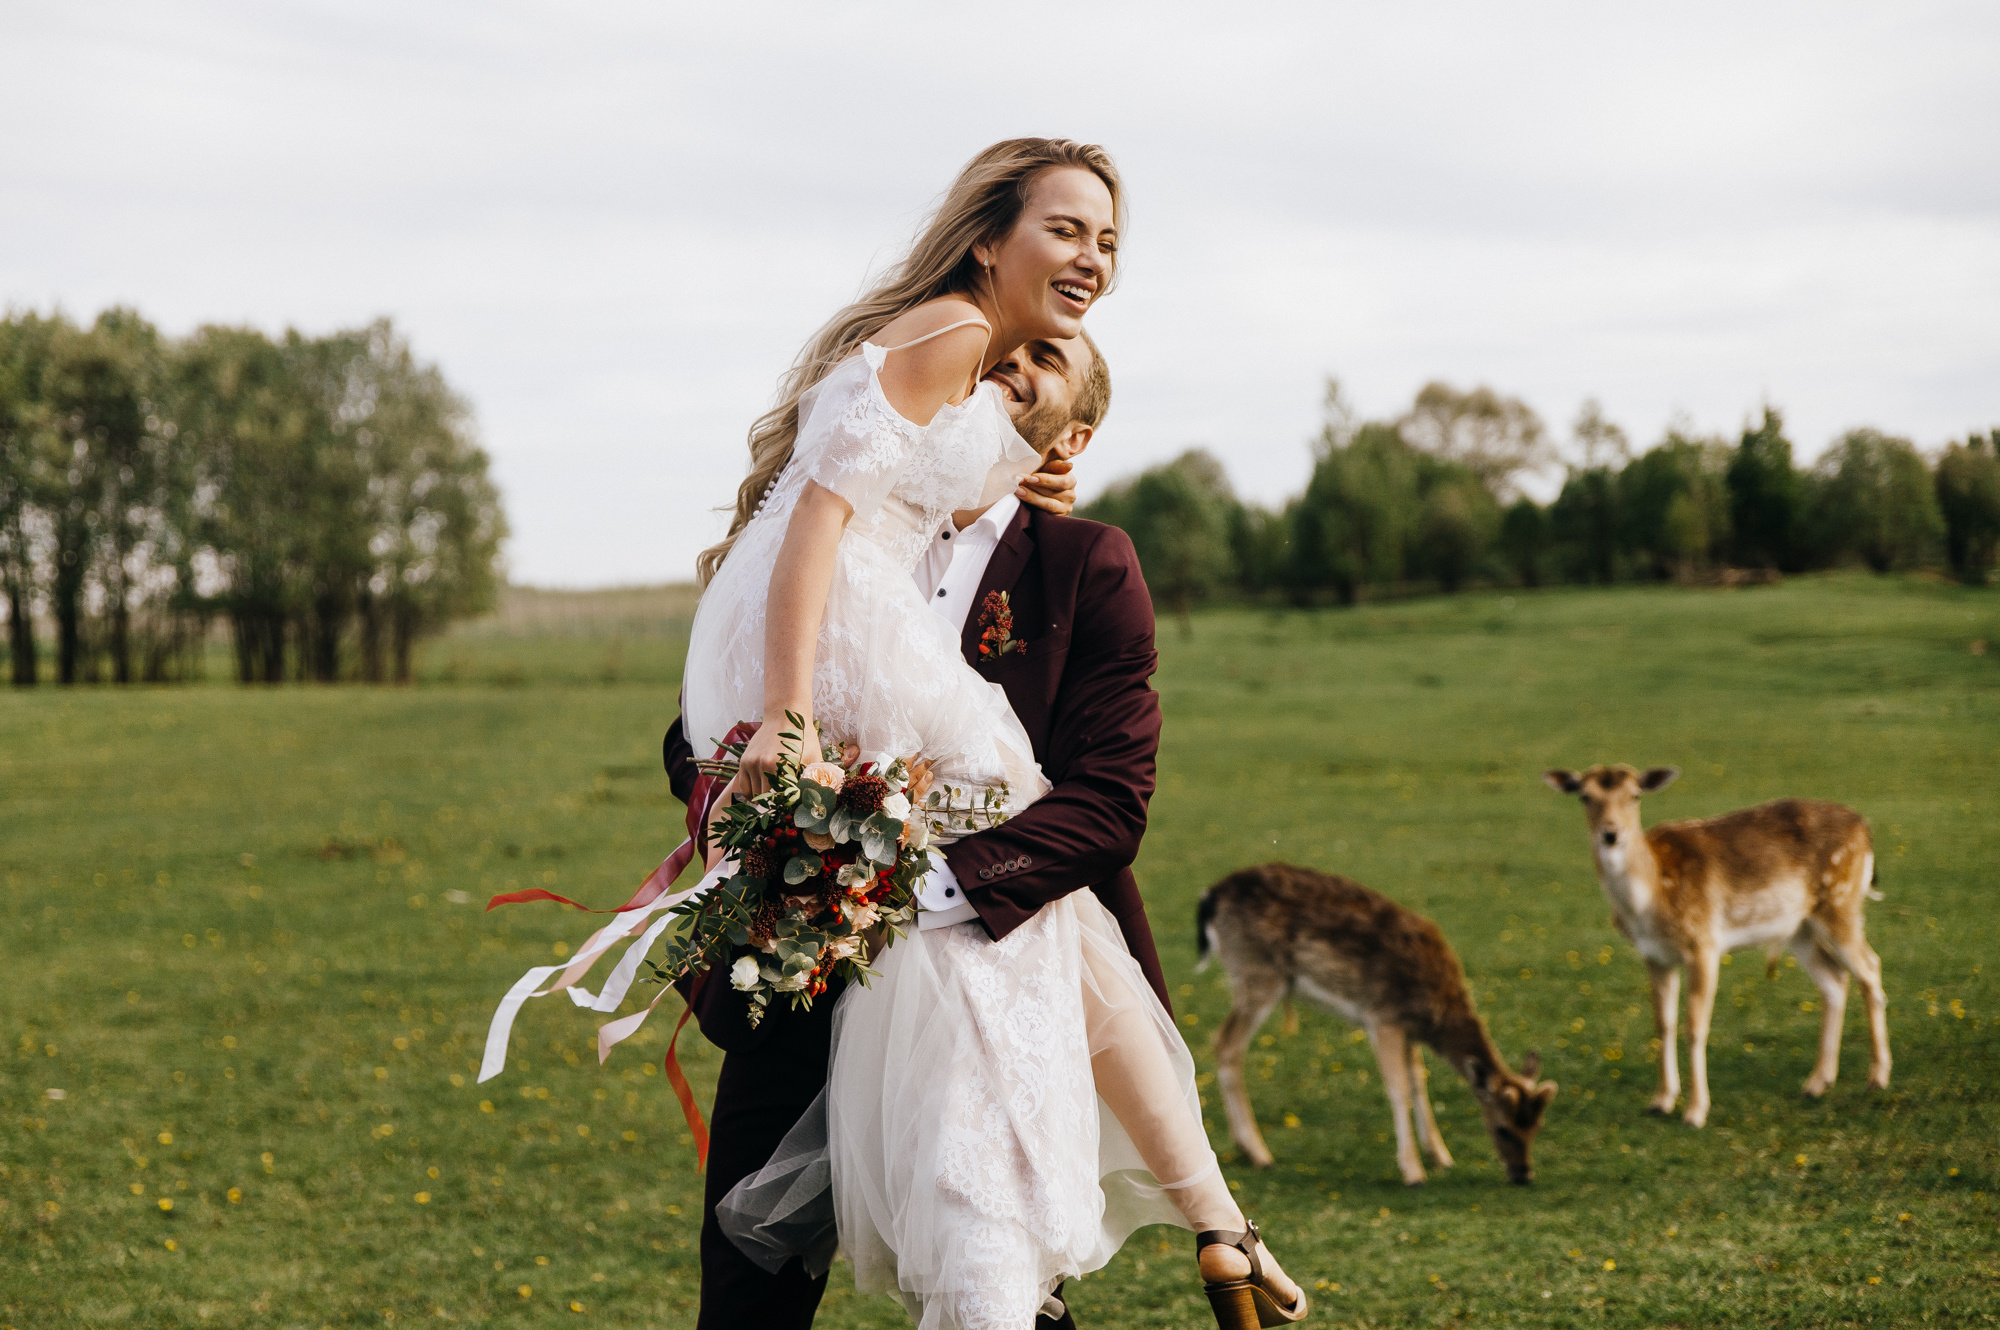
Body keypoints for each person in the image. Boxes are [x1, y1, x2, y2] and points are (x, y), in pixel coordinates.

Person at [674, 138, 1306, 1330]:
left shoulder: (1079, 562)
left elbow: (1109, 802)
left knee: (995, 1238)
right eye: (1064, 229)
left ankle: (1182, 1235)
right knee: (749, 1296)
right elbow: (775, 603)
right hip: (802, 967)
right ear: (987, 242)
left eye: (1107, 242)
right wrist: (781, 787)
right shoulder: (936, 363)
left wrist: (922, 887)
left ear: (1074, 428)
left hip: (976, 940)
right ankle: (1217, 1222)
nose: (1088, 259)